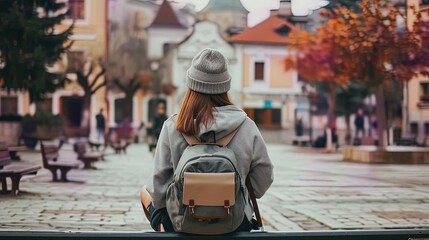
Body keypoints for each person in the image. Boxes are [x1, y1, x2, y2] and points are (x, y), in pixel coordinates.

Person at [140, 48, 274, 233]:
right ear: (225, 86)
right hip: (234, 223)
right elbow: (262, 182)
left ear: (191, 85)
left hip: (182, 224)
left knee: (144, 191)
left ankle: (167, 231)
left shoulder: (174, 125)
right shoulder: (246, 125)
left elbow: (157, 191)